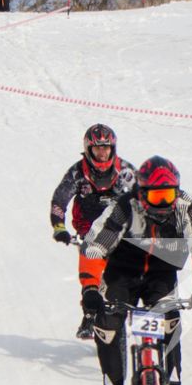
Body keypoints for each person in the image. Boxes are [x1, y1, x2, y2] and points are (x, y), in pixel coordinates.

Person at [79, 155, 192, 385]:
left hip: (161, 274)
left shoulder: (186, 206)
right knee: (107, 325)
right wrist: (91, 288)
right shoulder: (123, 207)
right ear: (141, 194)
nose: (163, 204)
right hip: (122, 272)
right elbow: (94, 246)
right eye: (156, 197)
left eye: (168, 195)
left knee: (170, 323)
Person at [48, 123, 135, 339]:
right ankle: (89, 313)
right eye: (98, 148)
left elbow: (144, 198)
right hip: (88, 228)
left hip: (119, 228)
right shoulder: (78, 172)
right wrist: (59, 227)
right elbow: (60, 199)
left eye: (106, 148)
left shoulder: (125, 171)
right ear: (88, 149)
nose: (102, 152)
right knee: (91, 271)